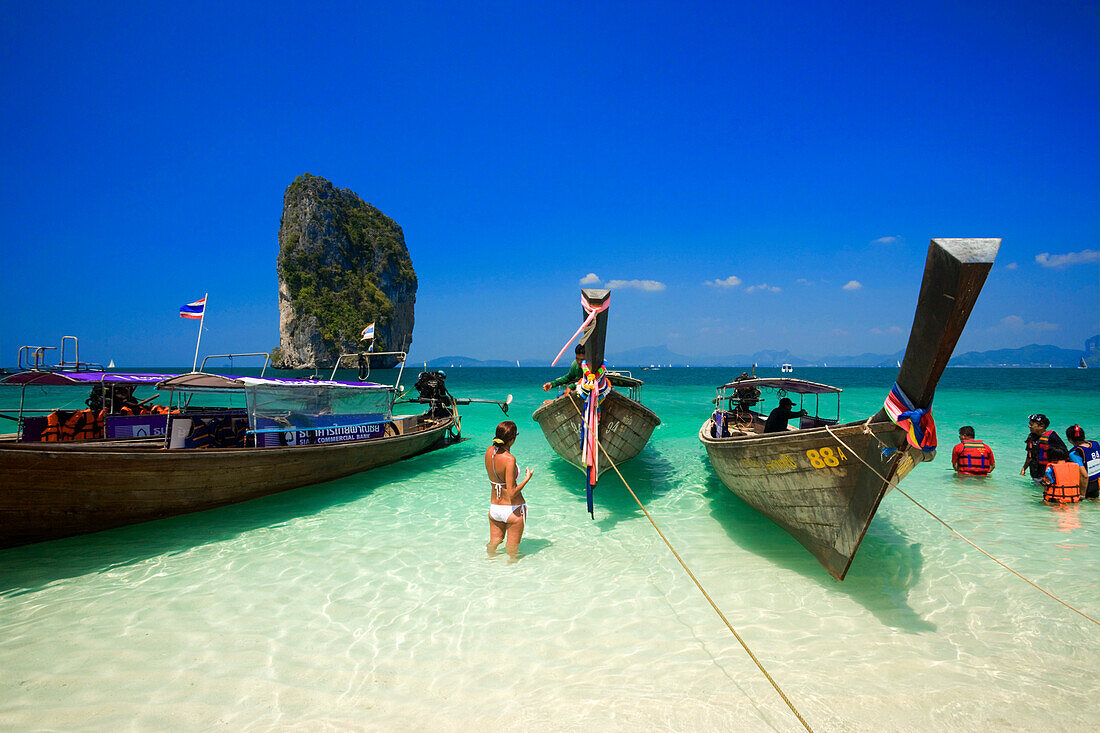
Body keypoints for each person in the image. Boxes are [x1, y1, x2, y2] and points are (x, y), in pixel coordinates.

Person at [485, 420, 533, 559]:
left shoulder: (489, 451)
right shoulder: (509, 459)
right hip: (512, 509)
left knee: (494, 542)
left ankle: (488, 564)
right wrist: (527, 478)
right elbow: (511, 492)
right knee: (512, 550)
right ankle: (512, 574)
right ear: (512, 439)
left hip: (494, 508)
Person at [1020, 414, 1068, 480]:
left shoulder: (1052, 437)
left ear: (1041, 426)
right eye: (1029, 424)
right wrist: (1024, 468)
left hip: (1048, 474)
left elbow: (1064, 454)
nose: (1029, 426)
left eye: (1031, 424)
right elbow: (1029, 455)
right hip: (1035, 473)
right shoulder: (1031, 437)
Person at [1066, 424, 1100, 499]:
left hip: (1086, 486)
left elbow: (1084, 475)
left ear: (1069, 439)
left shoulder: (1074, 453)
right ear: (1084, 436)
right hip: (1097, 482)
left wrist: (1082, 495)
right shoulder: (1095, 444)